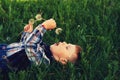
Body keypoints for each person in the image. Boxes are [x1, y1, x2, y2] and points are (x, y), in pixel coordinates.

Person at [0, 19, 82, 73]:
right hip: (4, 48)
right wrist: (28, 33)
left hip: (3, 60)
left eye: (67, 47)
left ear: (63, 60)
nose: (64, 42)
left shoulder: (43, 62)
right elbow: (24, 45)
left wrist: (44, 26)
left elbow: (30, 45)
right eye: (67, 43)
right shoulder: (43, 47)